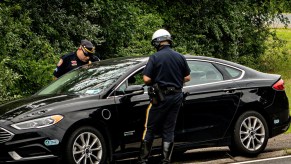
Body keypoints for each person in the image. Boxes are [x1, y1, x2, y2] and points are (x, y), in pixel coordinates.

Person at [137, 29, 191, 164]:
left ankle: (143, 160)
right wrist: (175, 80)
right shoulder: (180, 57)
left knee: (149, 128)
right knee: (169, 129)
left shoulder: (155, 57)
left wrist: (158, 79)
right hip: (177, 96)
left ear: (157, 42)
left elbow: (146, 79)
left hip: (160, 97)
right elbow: (187, 77)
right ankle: (166, 160)